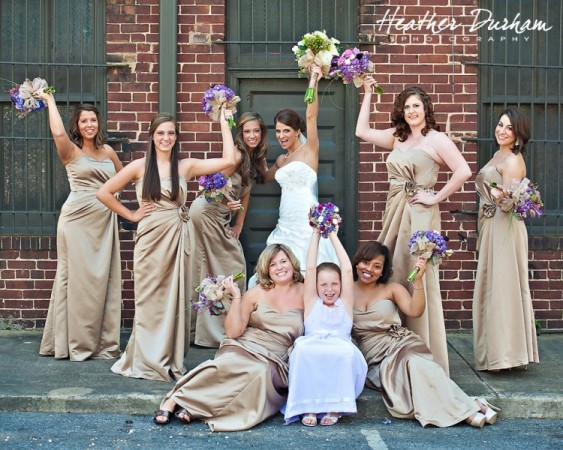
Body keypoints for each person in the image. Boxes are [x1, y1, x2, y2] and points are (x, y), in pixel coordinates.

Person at [96, 109, 236, 381]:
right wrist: (131, 215)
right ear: (152, 136)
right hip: (150, 238)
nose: (166, 138)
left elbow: (229, 160)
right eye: (160, 133)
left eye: (171, 133)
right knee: (149, 298)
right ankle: (146, 357)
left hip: (177, 236)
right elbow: (103, 192)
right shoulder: (139, 166)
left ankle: (168, 356)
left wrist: (223, 122)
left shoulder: (185, 166)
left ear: (176, 137)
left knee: (175, 297)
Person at [355, 80, 472, 375]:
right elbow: (362, 132)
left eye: (416, 106)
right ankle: (393, 347)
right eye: (406, 107)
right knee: (392, 269)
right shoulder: (399, 136)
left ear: (426, 108)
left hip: (420, 214)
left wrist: (435, 197)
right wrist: (368, 93)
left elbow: (463, 170)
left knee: (416, 273)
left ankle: (424, 351)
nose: (411, 111)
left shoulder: (436, 138)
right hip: (395, 208)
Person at [153, 244, 304, 431]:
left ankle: (194, 407)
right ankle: (174, 399)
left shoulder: (305, 292)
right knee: (228, 364)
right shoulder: (257, 292)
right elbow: (233, 333)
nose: (279, 267)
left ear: (292, 263)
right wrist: (237, 297)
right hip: (247, 345)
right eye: (273, 264)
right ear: (267, 269)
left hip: (276, 357)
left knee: (259, 372)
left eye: (283, 261)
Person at [351, 241, 500, 428]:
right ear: (357, 263)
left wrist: (419, 279)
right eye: (365, 262)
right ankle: (474, 403)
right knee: (403, 383)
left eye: (376, 266)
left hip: (399, 344)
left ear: (383, 271)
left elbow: (415, 311)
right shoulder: (345, 290)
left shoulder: (392, 289)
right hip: (372, 357)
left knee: (415, 364)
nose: (369, 269)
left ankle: (467, 413)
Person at [35, 90, 123, 361]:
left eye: (93, 120)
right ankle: (69, 342)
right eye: (84, 121)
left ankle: (100, 342)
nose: (89, 124)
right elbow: (58, 133)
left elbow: (124, 178)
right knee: (75, 281)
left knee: (102, 281)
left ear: (98, 123)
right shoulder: (70, 151)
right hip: (76, 222)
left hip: (104, 224)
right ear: (77, 124)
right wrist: (49, 101)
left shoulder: (108, 151)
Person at [248, 63, 338, 287]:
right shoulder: (281, 160)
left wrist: (313, 81)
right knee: (277, 265)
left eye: (286, 130)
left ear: (297, 131)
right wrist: (255, 150)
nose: (281, 135)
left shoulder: (309, 151)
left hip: (305, 217)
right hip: (286, 220)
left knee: (310, 265)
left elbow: (311, 115)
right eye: (278, 131)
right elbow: (263, 178)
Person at [192, 112, 269, 348]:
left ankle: (210, 331)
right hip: (207, 212)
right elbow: (207, 183)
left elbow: (246, 193)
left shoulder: (254, 158)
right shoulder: (236, 155)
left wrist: (239, 224)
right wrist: (226, 202)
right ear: (240, 134)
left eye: (256, 131)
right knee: (232, 264)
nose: (252, 135)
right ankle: (220, 331)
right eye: (247, 132)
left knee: (210, 266)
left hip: (221, 217)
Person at [472, 107, 540, 372]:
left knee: (504, 288)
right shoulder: (498, 154)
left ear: (518, 134)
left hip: (505, 229)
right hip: (492, 226)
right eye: (500, 124)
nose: (502, 130)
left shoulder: (512, 160)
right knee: (492, 287)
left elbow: (512, 204)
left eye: (509, 128)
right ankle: (495, 353)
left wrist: (502, 197)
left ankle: (505, 357)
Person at [282, 230, 367, 427]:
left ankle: (335, 407)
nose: (329, 289)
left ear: (341, 285)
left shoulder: (345, 302)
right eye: (324, 285)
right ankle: (308, 406)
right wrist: (316, 233)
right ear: (316, 286)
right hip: (313, 344)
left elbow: (347, 269)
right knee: (302, 350)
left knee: (346, 352)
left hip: (340, 345)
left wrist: (333, 234)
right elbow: (311, 267)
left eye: (334, 284)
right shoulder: (312, 301)